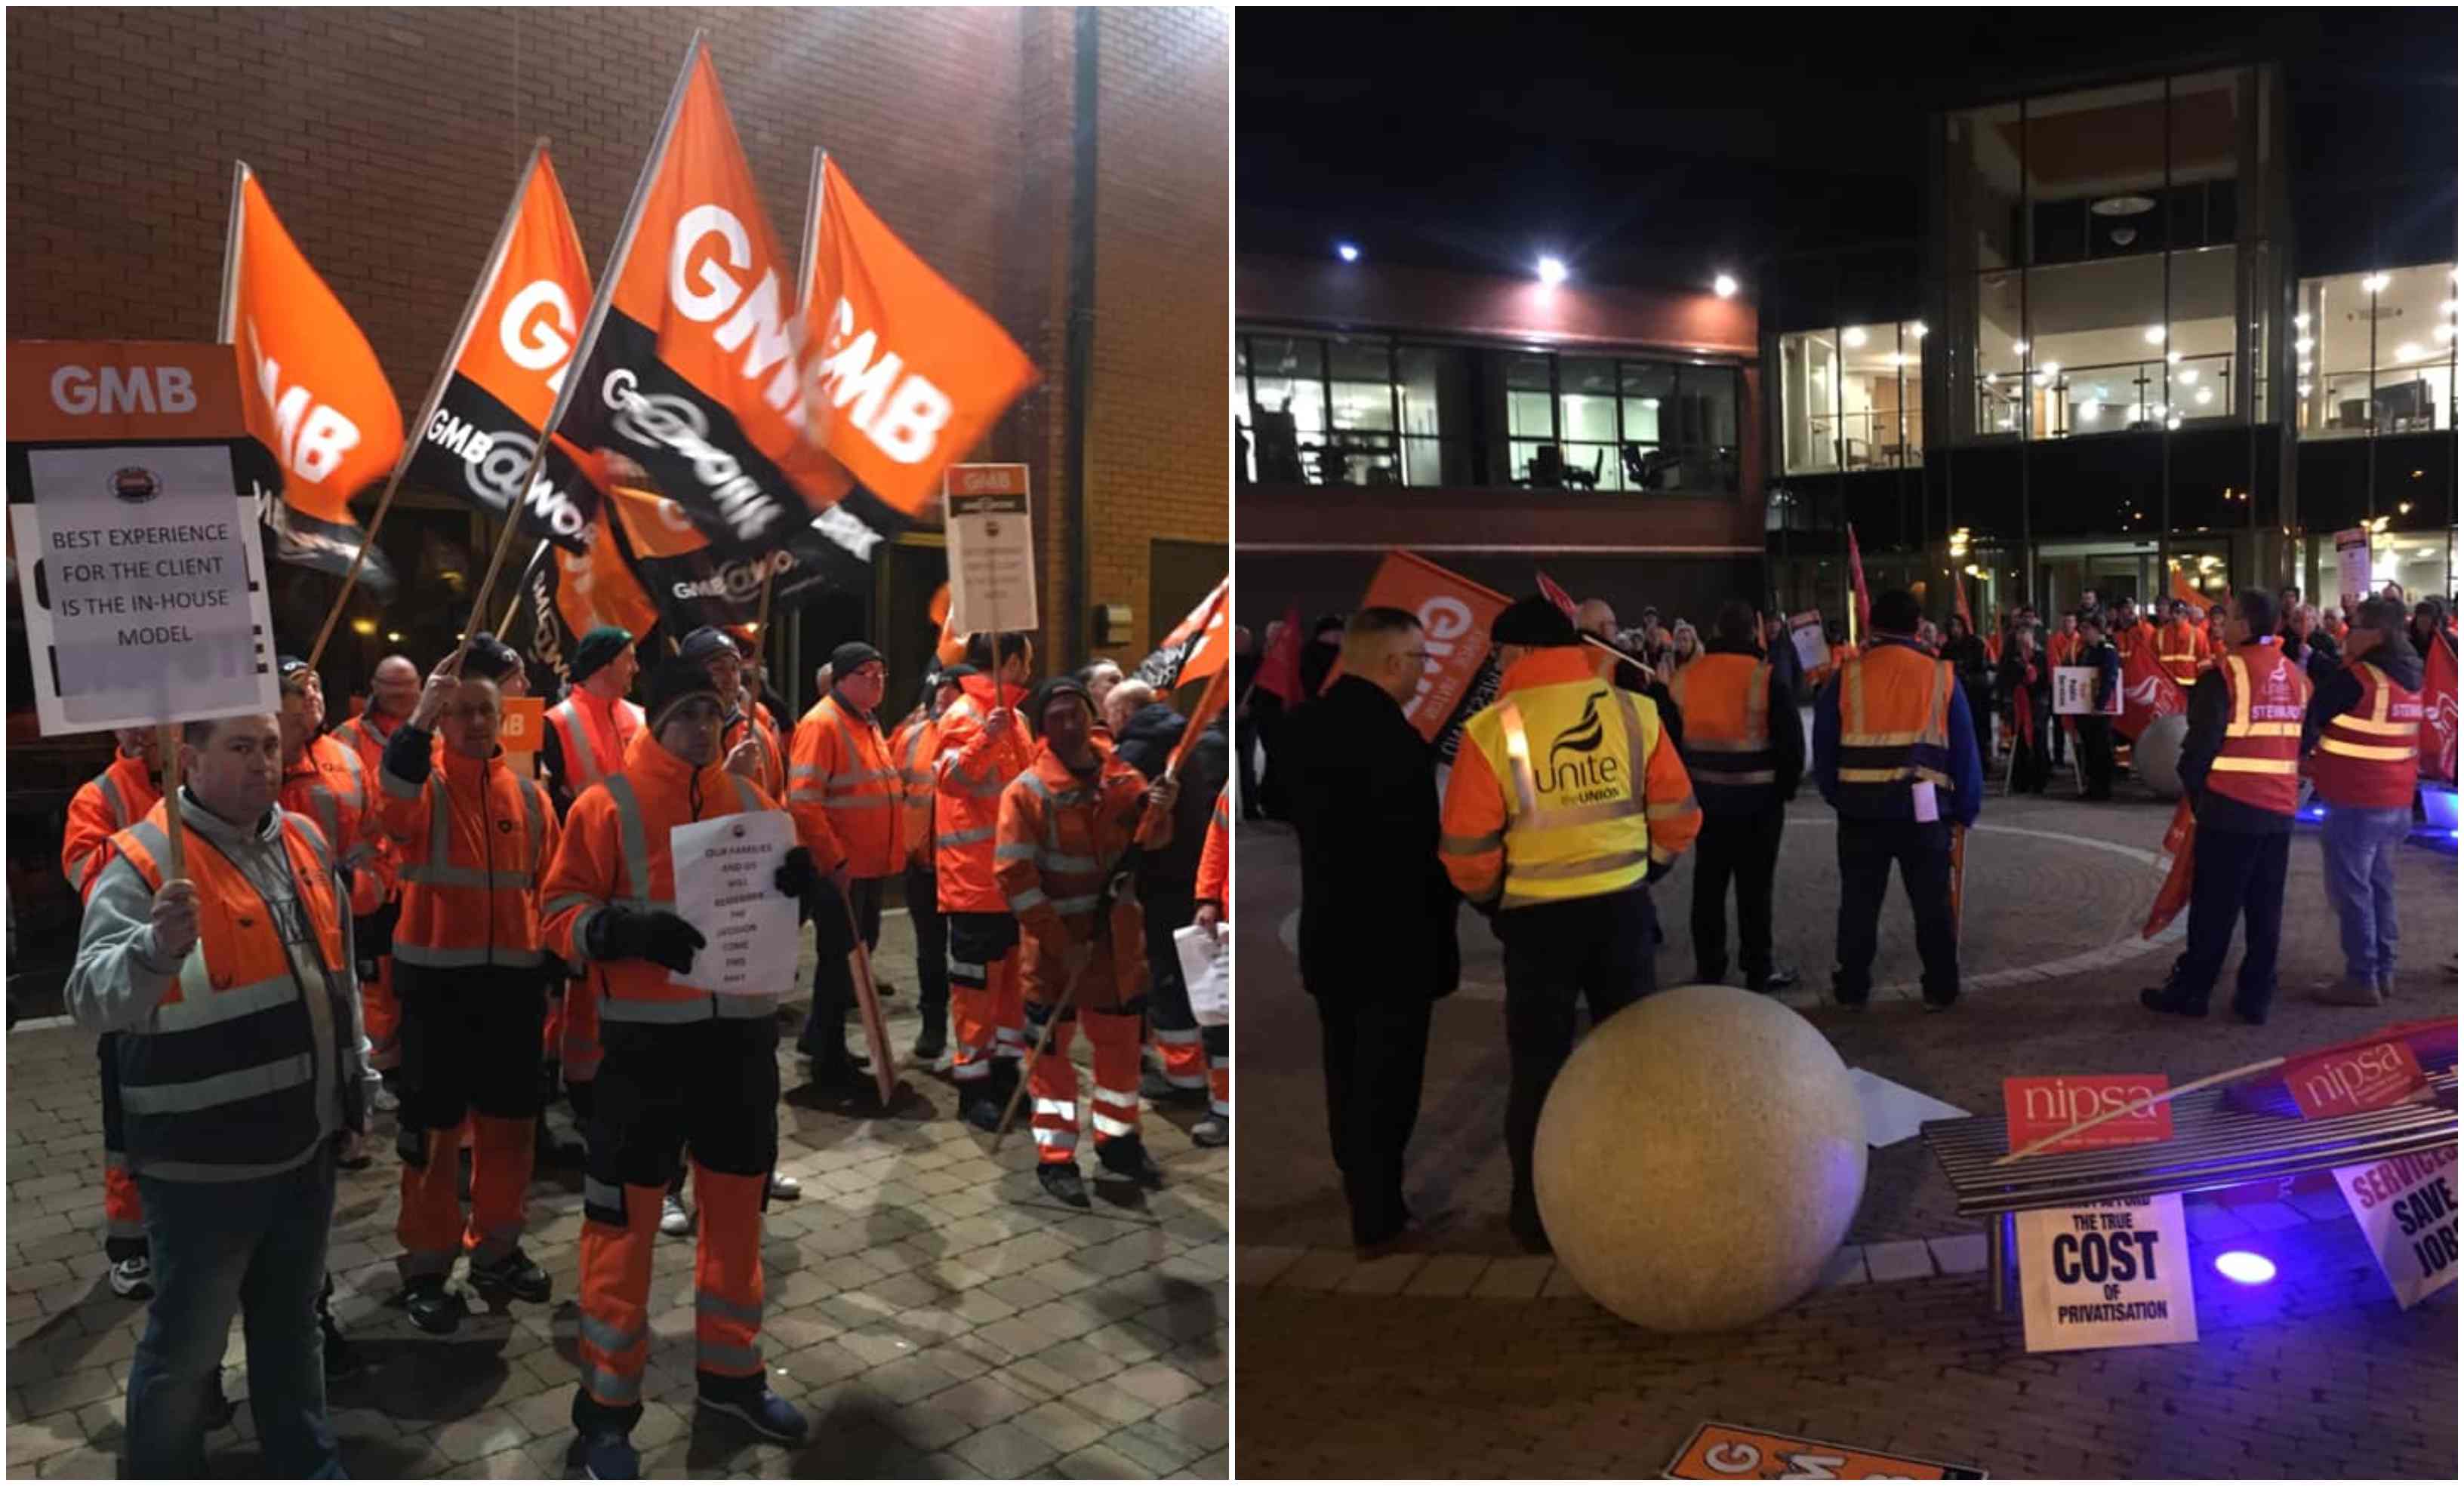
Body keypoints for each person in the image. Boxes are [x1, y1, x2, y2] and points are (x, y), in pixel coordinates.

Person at [66, 712, 364, 1478]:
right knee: (187, 1349)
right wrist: (154, 947)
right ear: (188, 758)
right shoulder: (143, 858)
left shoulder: (301, 838)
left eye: (269, 745)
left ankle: (307, 1463)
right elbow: (92, 1000)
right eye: (240, 746)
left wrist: (354, 1088)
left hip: (306, 1147)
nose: (264, 762)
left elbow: (338, 974)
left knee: (290, 1328)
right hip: (202, 1165)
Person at [541, 657, 813, 1476]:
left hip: (738, 1051)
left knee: (735, 1221)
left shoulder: (759, 807)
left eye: (714, 712)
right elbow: (555, 913)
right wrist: (617, 931)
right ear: (655, 721)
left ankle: (733, 1374)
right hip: (643, 1055)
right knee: (619, 1234)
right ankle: (606, 1410)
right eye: (687, 712)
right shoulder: (604, 806)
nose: (703, 727)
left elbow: (774, 921)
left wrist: (799, 888)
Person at [1440, 596, 1701, 1254]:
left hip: (1535, 926)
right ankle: (1640, 1191)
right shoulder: (1634, 712)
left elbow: (1466, 851)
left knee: (1538, 1071)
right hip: (1622, 912)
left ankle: (1534, 1212)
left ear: (1521, 653)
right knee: (1632, 1065)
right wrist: (1648, 870)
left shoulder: (1491, 729)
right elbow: (1681, 817)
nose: (1497, 667)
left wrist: (1495, 900)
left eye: (1499, 656)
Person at [375, 657, 561, 1334]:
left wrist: (554, 982)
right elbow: (391, 801)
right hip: (437, 991)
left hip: (511, 992)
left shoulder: (533, 799)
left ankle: (499, 1250)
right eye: (464, 711)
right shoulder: (424, 791)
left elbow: (550, 892)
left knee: (511, 1132)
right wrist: (419, 716)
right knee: (433, 1137)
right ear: (445, 720)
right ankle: (427, 1267)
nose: (479, 722)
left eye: (488, 710)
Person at [1286, 608, 1462, 1256]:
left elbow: (1283, 805)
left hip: (1330, 936)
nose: (1425, 670)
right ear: (1391, 664)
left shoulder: (1305, 727)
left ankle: (1358, 1181)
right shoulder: (1396, 741)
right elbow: (1420, 852)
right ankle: (1380, 1210)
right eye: (1419, 658)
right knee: (1389, 1082)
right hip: (1394, 943)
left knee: (1345, 1068)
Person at [994, 679, 1178, 1206]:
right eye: (1055, 717)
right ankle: (1056, 1157)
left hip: (1116, 948)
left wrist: (1162, 809)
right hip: (1056, 953)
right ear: (1044, 727)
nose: (1068, 724)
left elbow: (1152, 842)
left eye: (1075, 713)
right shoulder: (1026, 792)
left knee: (1120, 1054)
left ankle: (1119, 1143)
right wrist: (1059, 941)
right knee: (1050, 1057)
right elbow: (1013, 876)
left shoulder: (1124, 778)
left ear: (1091, 715)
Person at [2140, 589, 2313, 1025]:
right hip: (2279, 809)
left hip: (2231, 808)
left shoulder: (2223, 675)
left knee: (2214, 907)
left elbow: (2197, 750)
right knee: (2264, 907)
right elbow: (2304, 739)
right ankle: (2255, 998)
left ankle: (2193, 992)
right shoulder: (2295, 675)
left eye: (2229, 617)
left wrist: (2202, 799)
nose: (2220, 625)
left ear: (2245, 625)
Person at [1812, 588, 1984, 1011]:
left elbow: (1823, 748)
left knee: (1858, 904)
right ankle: (1941, 987)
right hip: (1924, 810)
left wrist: (1840, 796)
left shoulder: (1847, 678)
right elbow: (1966, 751)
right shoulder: (1941, 676)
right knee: (1931, 903)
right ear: (1916, 626)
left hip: (1860, 811)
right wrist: (1966, 809)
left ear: (1873, 627)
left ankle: (1852, 988)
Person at [63, 728, 165, 1298]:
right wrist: (158, 830)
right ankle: (129, 1246)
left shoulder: (194, 777)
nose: (146, 730)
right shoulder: (96, 796)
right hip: (128, 980)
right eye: (133, 720)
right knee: (126, 1126)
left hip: (194, 976)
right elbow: (90, 877)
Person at [276, 657, 395, 1112]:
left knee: (349, 1008)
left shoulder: (345, 759)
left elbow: (374, 836)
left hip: (344, 909)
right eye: (298, 689)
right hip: (286, 911)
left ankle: (353, 1102)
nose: (312, 697)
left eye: (317, 688)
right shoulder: (267, 757)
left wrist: (368, 886)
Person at [1671, 601, 1803, 993]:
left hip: (1706, 803)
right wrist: (1784, 791)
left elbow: (1670, 740)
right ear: (1754, 633)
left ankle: (1710, 967)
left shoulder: (1686, 677)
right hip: (1758, 805)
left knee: (1707, 887)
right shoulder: (1766, 678)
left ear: (1714, 630)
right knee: (1755, 891)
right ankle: (1758, 969)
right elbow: (1791, 746)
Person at [937, 632, 1040, 1128]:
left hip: (1012, 881)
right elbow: (952, 779)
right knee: (975, 990)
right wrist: (987, 738)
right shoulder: (962, 716)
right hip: (975, 881)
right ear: (1013, 660)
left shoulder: (1017, 717)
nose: (1029, 670)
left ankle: (1003, 1071)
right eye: (1027, 660)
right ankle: (972, 1085)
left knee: (1009, 987)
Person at [2302, 596, 2425, 1006]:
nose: (2347, 634)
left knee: (2352, 890)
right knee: (2380, 885)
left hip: (2356, 799)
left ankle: (2362, 977)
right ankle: (2384, 969)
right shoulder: (2413, 675)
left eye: (2354, 627)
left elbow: (2315, 712)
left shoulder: (2359, 677)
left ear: (2375, 633)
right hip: (2397, 800)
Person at [789, 640, 899, 1094]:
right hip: (842, 870)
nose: (875, 681)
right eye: (865, 674)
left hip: (868, 867)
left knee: (854, 958)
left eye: (880, 674)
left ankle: (821, 1039)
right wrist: (833, 860)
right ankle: (828, 1060)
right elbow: (803, 801)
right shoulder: (823, 725)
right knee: (838, 963)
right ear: (840, 680)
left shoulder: (866, 722)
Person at [889, 669, 963, 1066]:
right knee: (928, 951)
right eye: (939, 693)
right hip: (921, 866)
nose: (943, 700)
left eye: (952, 694)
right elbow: (895, 790)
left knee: (969, 959)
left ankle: (973, 1036)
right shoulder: (913, 737)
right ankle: (932, 1026)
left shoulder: (980, 737)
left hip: (966, 869)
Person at [541, 626, 645, 818]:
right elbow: (549, 802)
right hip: (586, 841)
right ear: (605, 665)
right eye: (629, 659)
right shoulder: (556, 722)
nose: (636, 668)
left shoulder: (642, 717)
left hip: (641, 840)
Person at [1190, 783, 1231, 1146]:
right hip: (1224, 928)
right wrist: (1207, 897)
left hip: (1240, 926)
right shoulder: (1228, 792)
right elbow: (1217, 841)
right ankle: (1222, 1109)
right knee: (1219, 1026)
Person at [331, 653, 420, 777]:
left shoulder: (443, 732)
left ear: (420, 684)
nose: (400, 691)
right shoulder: (345, 737)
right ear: (374, 685)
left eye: (408, 683)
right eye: (391, 683)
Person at [1999, 624, 2053, 794]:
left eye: (2025, 635)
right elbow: (2005, 679)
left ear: (2032, 637)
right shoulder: (2010, 657)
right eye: (2020, 634)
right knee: (2019, 742)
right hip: (2018, 704)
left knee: (2039, 741)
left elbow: (2045, 681)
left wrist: (2032, 676)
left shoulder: (2041, 656)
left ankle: (2039, 781)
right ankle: (2020, 781)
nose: (2023, 639)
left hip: (2037, 704)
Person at [2074, 615, 2122, 800]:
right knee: (2089, 747)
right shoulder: (2085, 651)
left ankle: (2103, 788)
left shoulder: (2107, 651)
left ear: (2096, 630)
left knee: (2101, 747)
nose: (2084, 633)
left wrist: (2100, 704)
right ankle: (2093, 786)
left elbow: (2110, 679)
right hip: (2084, 706)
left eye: (2087, 629)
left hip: (2099, 709)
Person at [1941, 612, 1993, 768]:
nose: (1955, 630)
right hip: (1955, 691)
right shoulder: (1947, 647)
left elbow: (1980, 664)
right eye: (1952, 627)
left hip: (1976, 693)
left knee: (1979, 730)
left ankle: (1982, 762)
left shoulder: (1975, 643)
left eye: (1958, 626)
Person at [1078, 660, 1126, 732]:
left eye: (1124, 682)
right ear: (1089, 687)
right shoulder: (1075, 730)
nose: (1123, 687)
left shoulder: (1133, 727)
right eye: (1114, 681)